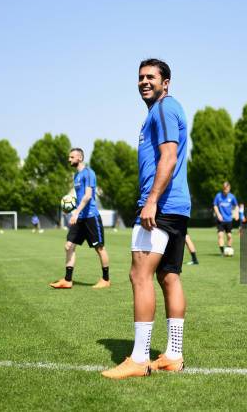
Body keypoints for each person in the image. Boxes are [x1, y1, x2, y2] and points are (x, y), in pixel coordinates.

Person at [102, 58, 190, 379]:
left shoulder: (165, 108)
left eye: (151, 77)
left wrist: (151, 201)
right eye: (140, 77)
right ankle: (173, 355)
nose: (144, 82)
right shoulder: (159, 111)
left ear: (166, 82)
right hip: (177, 207)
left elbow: (169, 154)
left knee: (140, 275)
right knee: (169, 277)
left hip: (161, 207)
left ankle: (139, 359)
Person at [49, 148, 111, 290]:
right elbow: (79, 197)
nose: (69, 159)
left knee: (99, 248)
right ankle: (67, 280)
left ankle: (106, 279)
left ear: (80, 158)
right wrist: (69, 210)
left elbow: (88, 195)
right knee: (69, 246)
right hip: (79, 217)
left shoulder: (89, 173)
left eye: (72, 157)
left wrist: (76, 212)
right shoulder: (76, 176)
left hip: (90, 217)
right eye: (69, 157)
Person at [213, 182, 238, 256]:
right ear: (223, 188)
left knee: (229, 236)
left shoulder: (232, 197)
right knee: (220, 235)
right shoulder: (218, 196)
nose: (226, 190)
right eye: (224, 188)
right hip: (220, 220)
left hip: (229, 220)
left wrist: (236, 213)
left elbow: (236, 206)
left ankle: (229, 249)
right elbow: (215, 205)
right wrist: (218, 214)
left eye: (227, 188)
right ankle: (222, 252)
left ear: (229, 188)